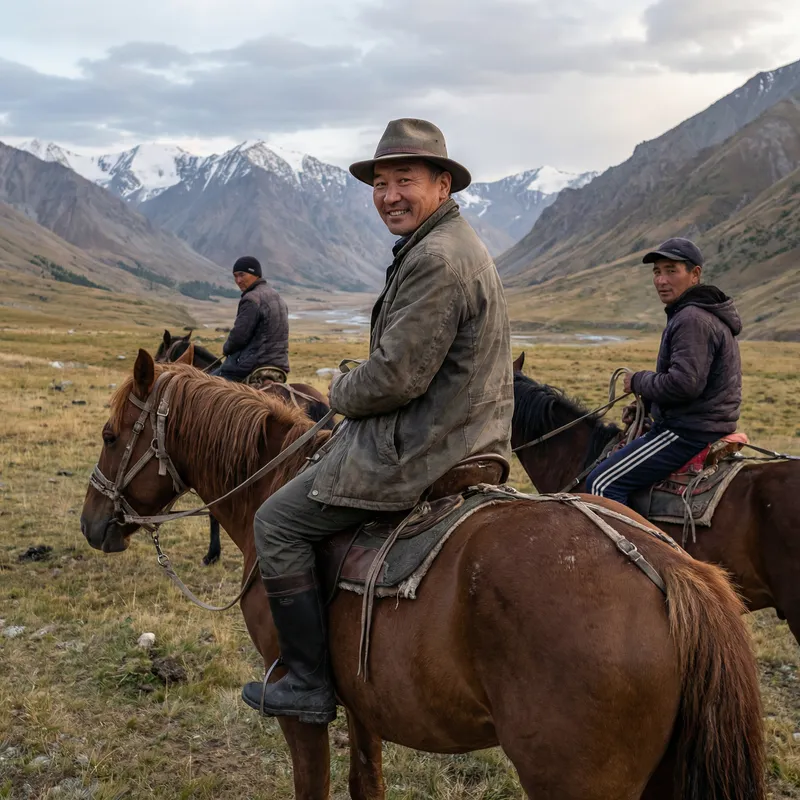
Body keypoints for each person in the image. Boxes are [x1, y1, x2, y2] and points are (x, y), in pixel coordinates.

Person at [241, 118, 513, 724]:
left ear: (442, 185)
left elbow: (395, 378)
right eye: (380, 181)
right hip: (460, 434)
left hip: (424, 449)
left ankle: (307, 682)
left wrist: (340, 388)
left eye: (405, 180)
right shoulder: (446, 245)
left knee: (277, 521)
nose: (389, 194)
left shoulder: (437, 258)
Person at [586, 238, 742, 507]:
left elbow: (684, 384)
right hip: (702, 423)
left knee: (601, 483)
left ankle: (628, 549)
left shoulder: (692, 318)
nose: (661, 280)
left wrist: (638, 380)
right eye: (657, 272)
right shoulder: (696, 314)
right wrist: (651, 404)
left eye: (671, 270)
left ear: (695, 274)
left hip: (688, 431)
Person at [213, 256, 290, 383]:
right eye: (235, 276)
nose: (238, 280)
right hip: (279, 366)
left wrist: (226, 349)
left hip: (255, 364)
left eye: (242, 275)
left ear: (256, 274)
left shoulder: (252, 299)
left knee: (210, 385)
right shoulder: (277, 296)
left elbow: (239, 336)